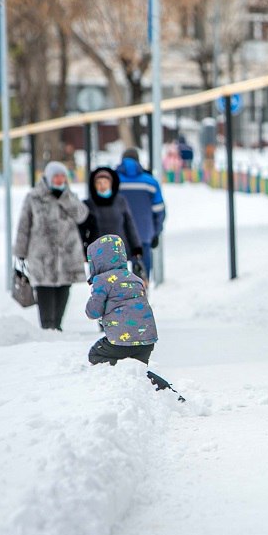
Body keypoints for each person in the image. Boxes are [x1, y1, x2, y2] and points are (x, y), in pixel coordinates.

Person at [84, 235, 174, 393]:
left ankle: (122, 387)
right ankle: (165, 392)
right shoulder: (135, 278)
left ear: (96, 261)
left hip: (120, 340)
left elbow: (93, 311)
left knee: (95, 354)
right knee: (138, 370)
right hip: (147, 339)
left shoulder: (102, 280)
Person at [14, 161, 89, 330]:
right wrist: (20, 251)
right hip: (42, 255)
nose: (59, 179)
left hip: (67, 255)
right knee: (44, 289)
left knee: (64, 288)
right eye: (56, 176)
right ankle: (47, 326)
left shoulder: (70, 196)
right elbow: (24, 225)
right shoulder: (34, 197)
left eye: (62, 176)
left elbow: (82, 215)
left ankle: (58, 325)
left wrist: (66, 198)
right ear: (48, 177)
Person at [79, 166, 144, 277]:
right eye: (99, 183)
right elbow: (82, 231)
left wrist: (136, 247)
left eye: (105, 182)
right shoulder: (88, 204)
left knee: (119, 286)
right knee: (100, 288)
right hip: (97, 255)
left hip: (119, 253)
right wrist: (82, 251)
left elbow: (129, 225)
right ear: (94, 185)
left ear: (111, 184)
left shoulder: (120, 201)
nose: (102, 186)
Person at [116, 148, 166, 280]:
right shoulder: (150, 182)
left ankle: (121, 300)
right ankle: (141, 297)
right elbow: (159, 210)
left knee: (117, 278)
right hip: (144, 233)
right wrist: (156, 232)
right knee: (142, 275)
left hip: (118, 235)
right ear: (138, 161)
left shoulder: (113, 181)